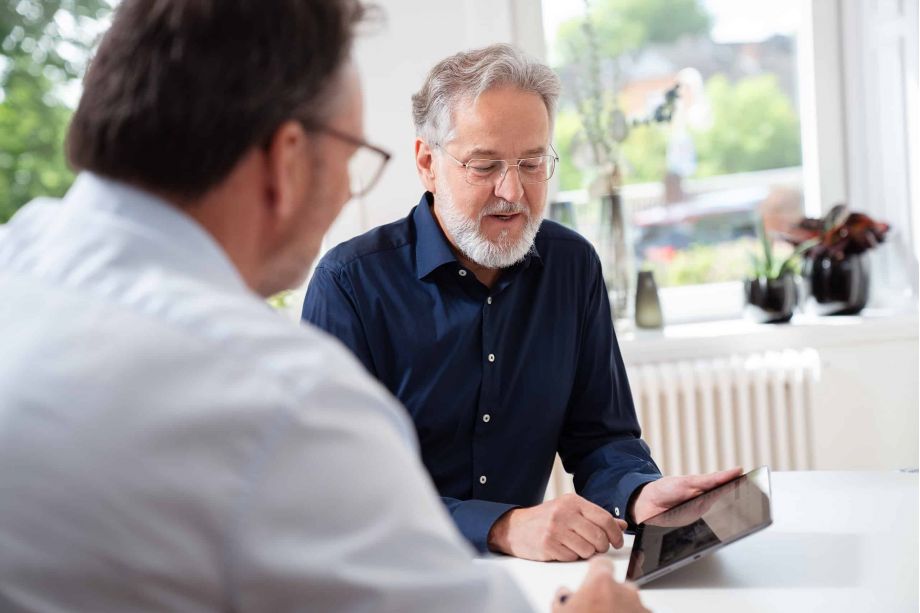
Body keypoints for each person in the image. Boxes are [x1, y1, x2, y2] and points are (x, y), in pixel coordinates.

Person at [0, 2, 650, 612]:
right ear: (286, 160)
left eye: (532, 162)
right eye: (351, 156)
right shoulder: (279, 398)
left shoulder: (16, 272)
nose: (346, 190)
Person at [303, 43, 742, 561]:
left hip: (526, 580)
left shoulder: (572, 265)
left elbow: (601, 437)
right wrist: (501, 526)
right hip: (390, 579)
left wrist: (638, 493)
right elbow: (338, 491)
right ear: (427, 162)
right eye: (485, 165)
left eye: (532, 163)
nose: (512, 191)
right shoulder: (350, 285)